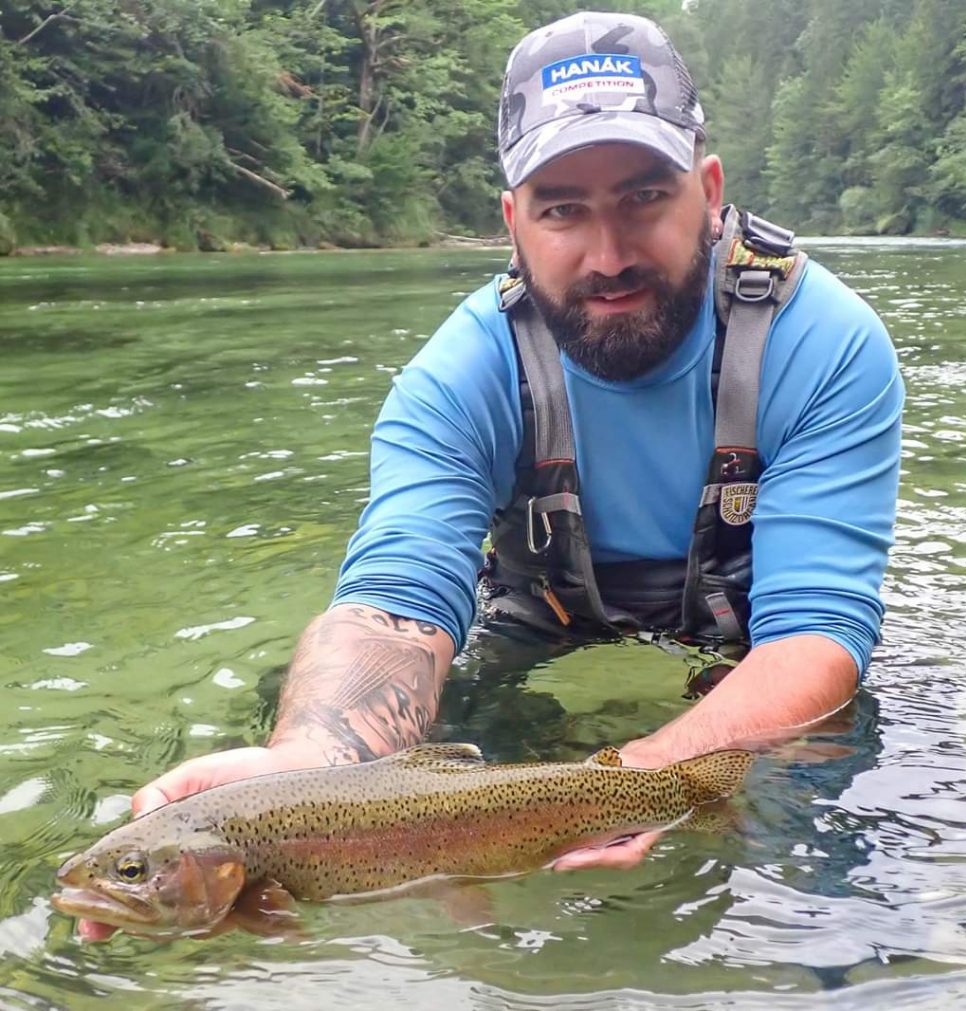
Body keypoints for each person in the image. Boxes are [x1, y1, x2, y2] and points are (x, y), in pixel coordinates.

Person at [80, 11, 903, 939]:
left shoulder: (822, 342)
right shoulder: (460, 371)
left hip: (752, 631)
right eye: (561, 208)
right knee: (312, 720)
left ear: (709, 193)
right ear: (511, 222)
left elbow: (814, 634)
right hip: (538, 620)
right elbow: (398, 596)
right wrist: (310, 768)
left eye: (644, 197)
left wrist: (641, 782)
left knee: (829, 842)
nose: (608, 253)